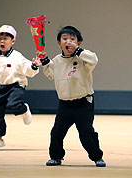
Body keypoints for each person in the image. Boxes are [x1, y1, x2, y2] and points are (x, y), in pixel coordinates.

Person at [40, 26, 106, 167]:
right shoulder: (57, 60)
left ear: (78, 43)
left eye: (72, 39)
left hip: (84, 103)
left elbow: (94, 59)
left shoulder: (83, 59)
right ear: (59, 43)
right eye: (64, 39)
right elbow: (51, 73)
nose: (68, 41)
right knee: (57, 132)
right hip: (64, 104)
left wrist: (78, 51)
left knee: (86, 133)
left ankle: (97, 157)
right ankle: (56, 157)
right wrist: (45, 61)